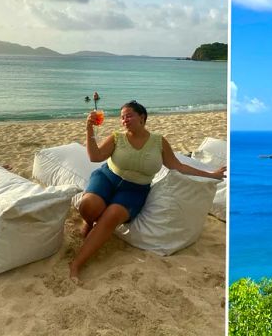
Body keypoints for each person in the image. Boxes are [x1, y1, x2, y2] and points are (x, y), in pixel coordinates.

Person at [69, 100, 226, 283]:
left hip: (134, 190)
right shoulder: (117, 138)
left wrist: (211, 174)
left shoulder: (158, 142)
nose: (124, 120)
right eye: (122, 117)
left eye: (129, 115)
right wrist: (89, 129)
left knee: (111, 216)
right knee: (88, 206)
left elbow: (178, 166)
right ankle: (89, 222)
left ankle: (76, 265)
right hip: (107, 177)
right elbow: (94, 156)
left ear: (142, 117)